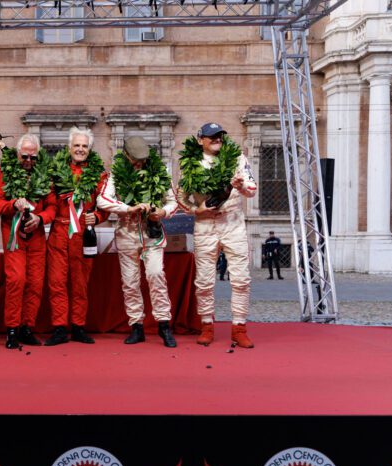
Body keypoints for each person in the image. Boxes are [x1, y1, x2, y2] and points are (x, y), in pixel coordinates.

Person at [177, 122, 257, 348]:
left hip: (233, 223)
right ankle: (206, 327)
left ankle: (239, 328)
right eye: (212, 136)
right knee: (203, 281)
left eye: (220, 136)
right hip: (204, 225)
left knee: (241, 279)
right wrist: (196, 210)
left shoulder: (237, 159)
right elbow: (181, 197)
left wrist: (241, 186)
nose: (217, 140)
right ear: (201, 139)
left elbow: (252, 189)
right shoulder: (189, 163)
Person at [96, 136, 178, 347]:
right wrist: (127, 208)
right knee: (130, 282)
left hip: (152, 233)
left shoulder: (160, 173)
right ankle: (137, 327)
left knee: (155, 275)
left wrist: (162, 211)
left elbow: (173, 202)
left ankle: (164, 326)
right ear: (126, 156)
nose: (139, 164)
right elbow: (102, 199)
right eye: (135, 160)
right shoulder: (115, 174)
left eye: (142, 160)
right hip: (126, 233)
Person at [0, 131, 56, 349]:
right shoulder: (4, 172)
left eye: (33, 157)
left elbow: (53, 207)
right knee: (16, 281)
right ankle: (11, 329)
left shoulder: (45, 175)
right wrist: (13, 205)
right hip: (13, 238)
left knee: (36, 283)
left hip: (37, 237)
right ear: (17, 155)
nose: (28, 161)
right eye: (25, 157)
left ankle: (27, 328)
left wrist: (40, 218)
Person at [45, 127, 109, 346]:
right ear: (69, 147)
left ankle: (79, 326)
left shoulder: (99, 174)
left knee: (81, 283)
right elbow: (49, 202)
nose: (80, 149)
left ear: (89, 149)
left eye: (84, 146)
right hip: (59, 231)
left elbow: (105, 205)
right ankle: (60, 327)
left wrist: (98, 217)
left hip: (84, 233)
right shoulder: (55, 171)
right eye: (77, 145)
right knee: (57, 282)